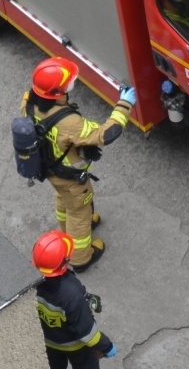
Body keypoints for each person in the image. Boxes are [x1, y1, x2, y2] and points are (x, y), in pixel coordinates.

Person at [23, 56, 133, 271]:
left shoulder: (28, 102)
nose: (70, 87)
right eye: (66, 86)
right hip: (70, 178)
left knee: (64, 201)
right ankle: (81, 258)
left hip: (50, 170)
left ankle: (66, 231)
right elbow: (105, 134)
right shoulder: (69, 122)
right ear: (55, 93)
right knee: (79, 212)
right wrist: (125, 104)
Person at [33, 230, 120, 369]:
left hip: (49, 341)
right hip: (76, 346)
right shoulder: (70, 294)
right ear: (63, 263)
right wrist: (106, 346)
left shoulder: (33, 283)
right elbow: (87, 333)